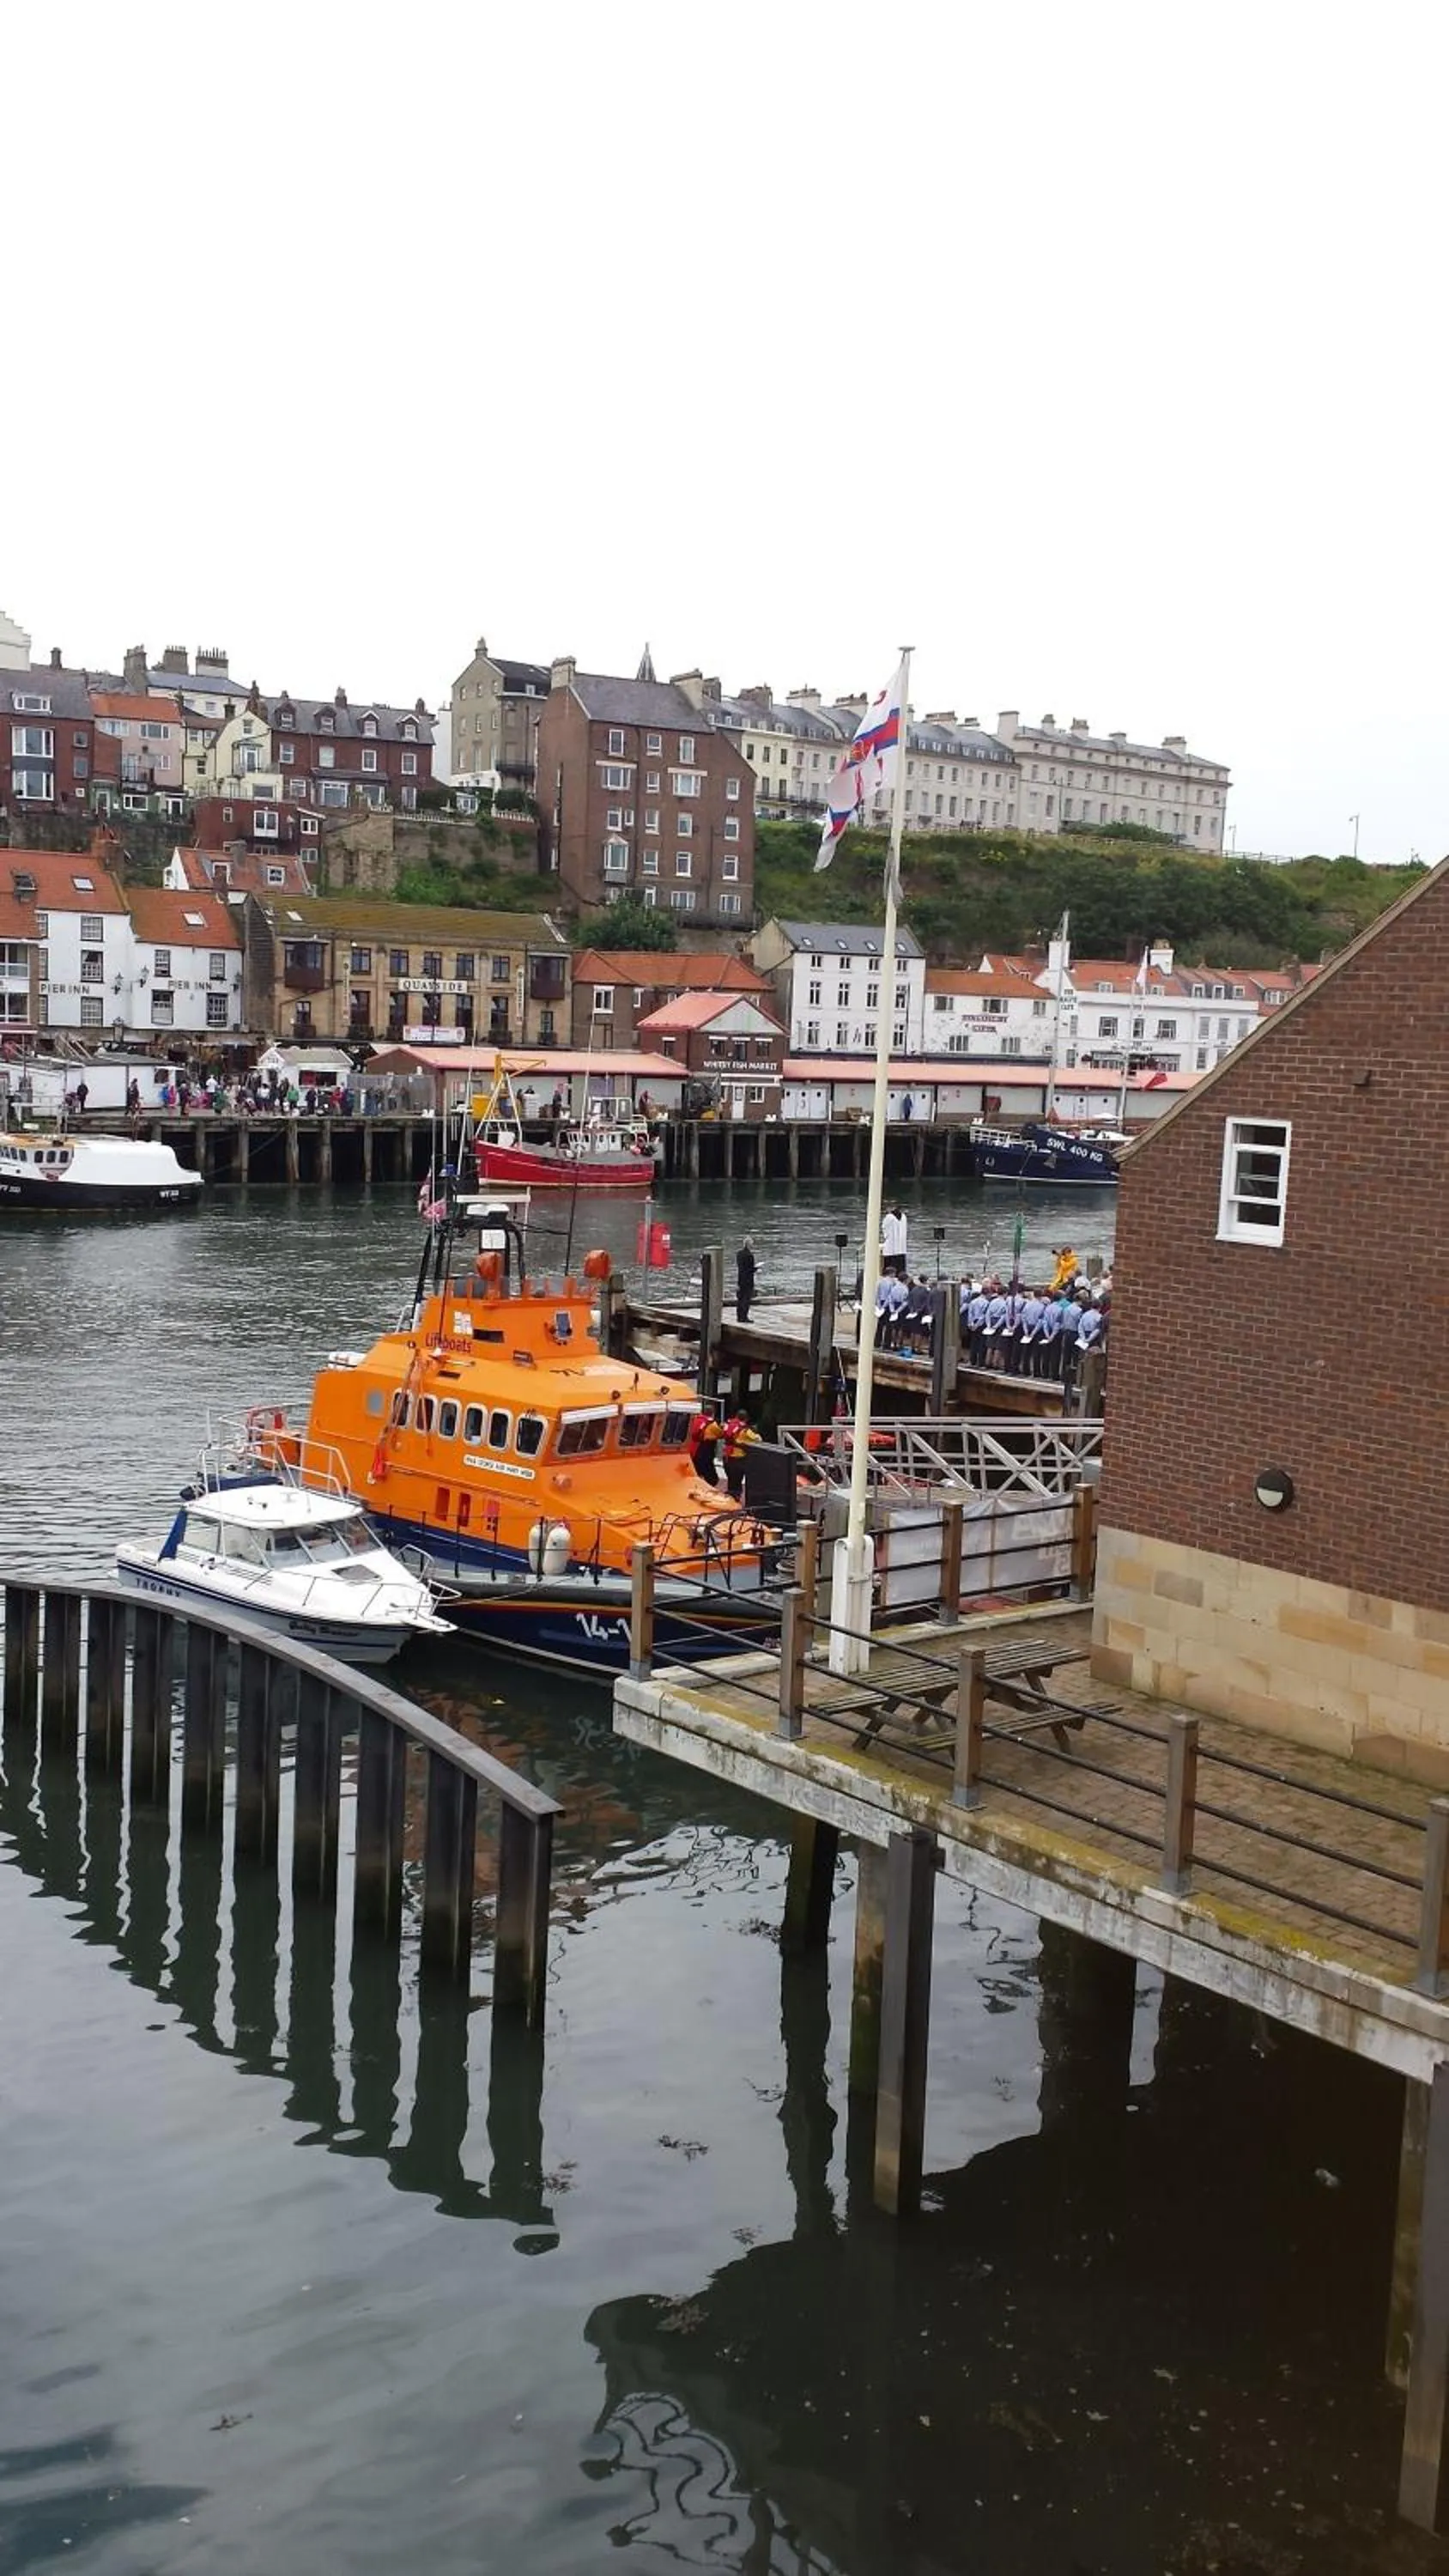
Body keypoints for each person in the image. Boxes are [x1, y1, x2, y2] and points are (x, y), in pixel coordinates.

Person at [722, 1409, 758, 1501]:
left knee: (731, 1478)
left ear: (736, 1416)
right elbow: (758, 1440)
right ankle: (736, 1498)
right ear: (746, 1419)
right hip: (739, 1458)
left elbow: (722, 1433)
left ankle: (730, 1495)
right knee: (737, 1480)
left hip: (727, 1456)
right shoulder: (745, 1430)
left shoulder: (727, 1425)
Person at [690, 1407, 723, 1487]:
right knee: (712, 1479)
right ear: (713, 1413)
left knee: (696, 1473)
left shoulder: (694, 1420)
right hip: (705, 1451)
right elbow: (721, 1434)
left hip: (693, 1450)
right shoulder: (712, 1424)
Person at [882, 1205, 908, 1278]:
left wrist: (886, 1236)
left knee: (890, 1265)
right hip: (901, 1247)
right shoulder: (903, 1217)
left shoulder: (889, 1217)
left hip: (891, 1247)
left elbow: (884, 1229)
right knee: (900, 1268)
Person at [735, 1236, 757, 1323]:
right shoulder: (750, 1256)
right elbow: (750, 1269)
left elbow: (742, 1267)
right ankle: (744, 1317)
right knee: (746, 1299)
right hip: (748, 1280)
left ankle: (739, 1316)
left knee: (740, 1298)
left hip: (740, 1278)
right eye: (752, 1244)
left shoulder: (739, 1254)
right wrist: (756, 1269)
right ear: (749, 1245)